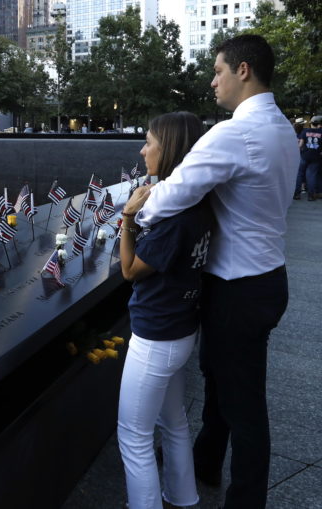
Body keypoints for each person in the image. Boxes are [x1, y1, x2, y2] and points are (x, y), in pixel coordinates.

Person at [123, 34, 299, 509]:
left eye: (218, 70)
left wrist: (132, 210)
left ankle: (245, 501)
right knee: (224, 384)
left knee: (244, 405)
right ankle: (204, 462)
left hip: (237, 288)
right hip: (267, 278)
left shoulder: (233, 133)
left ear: (243, 71)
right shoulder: (284, 129)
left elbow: (172, 193)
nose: (212, 80)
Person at [118, 112, 212, 509]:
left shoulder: (174, 214)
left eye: (149, 142)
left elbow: (129, 271)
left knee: (133, 436)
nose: (142, 150)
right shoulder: (200, 203)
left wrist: (127, 218)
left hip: (156, 334)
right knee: (174, 423)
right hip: (183, 330)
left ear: (169, 148)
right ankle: (183, 497)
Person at [293, 115, 322, 201]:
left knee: (300, 174)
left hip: (304, 156)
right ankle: (311, 196)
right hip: (316, 157)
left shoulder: (305, 131)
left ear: (311, 123)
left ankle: (297, 194)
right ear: (319, 124)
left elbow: (300, 145)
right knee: (311, 176)